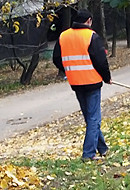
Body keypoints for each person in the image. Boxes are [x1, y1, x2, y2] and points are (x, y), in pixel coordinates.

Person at [53, 9, 112, 161]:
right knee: (94, 118)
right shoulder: (91, 36)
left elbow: (56, 59)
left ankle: (103, 148)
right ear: (89, 21)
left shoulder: (63, 36)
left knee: (89, 117)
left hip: (75, 82)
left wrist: (68, 69)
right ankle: (88, 154)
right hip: (92, 81)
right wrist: (107, 77)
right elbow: (100, 60)